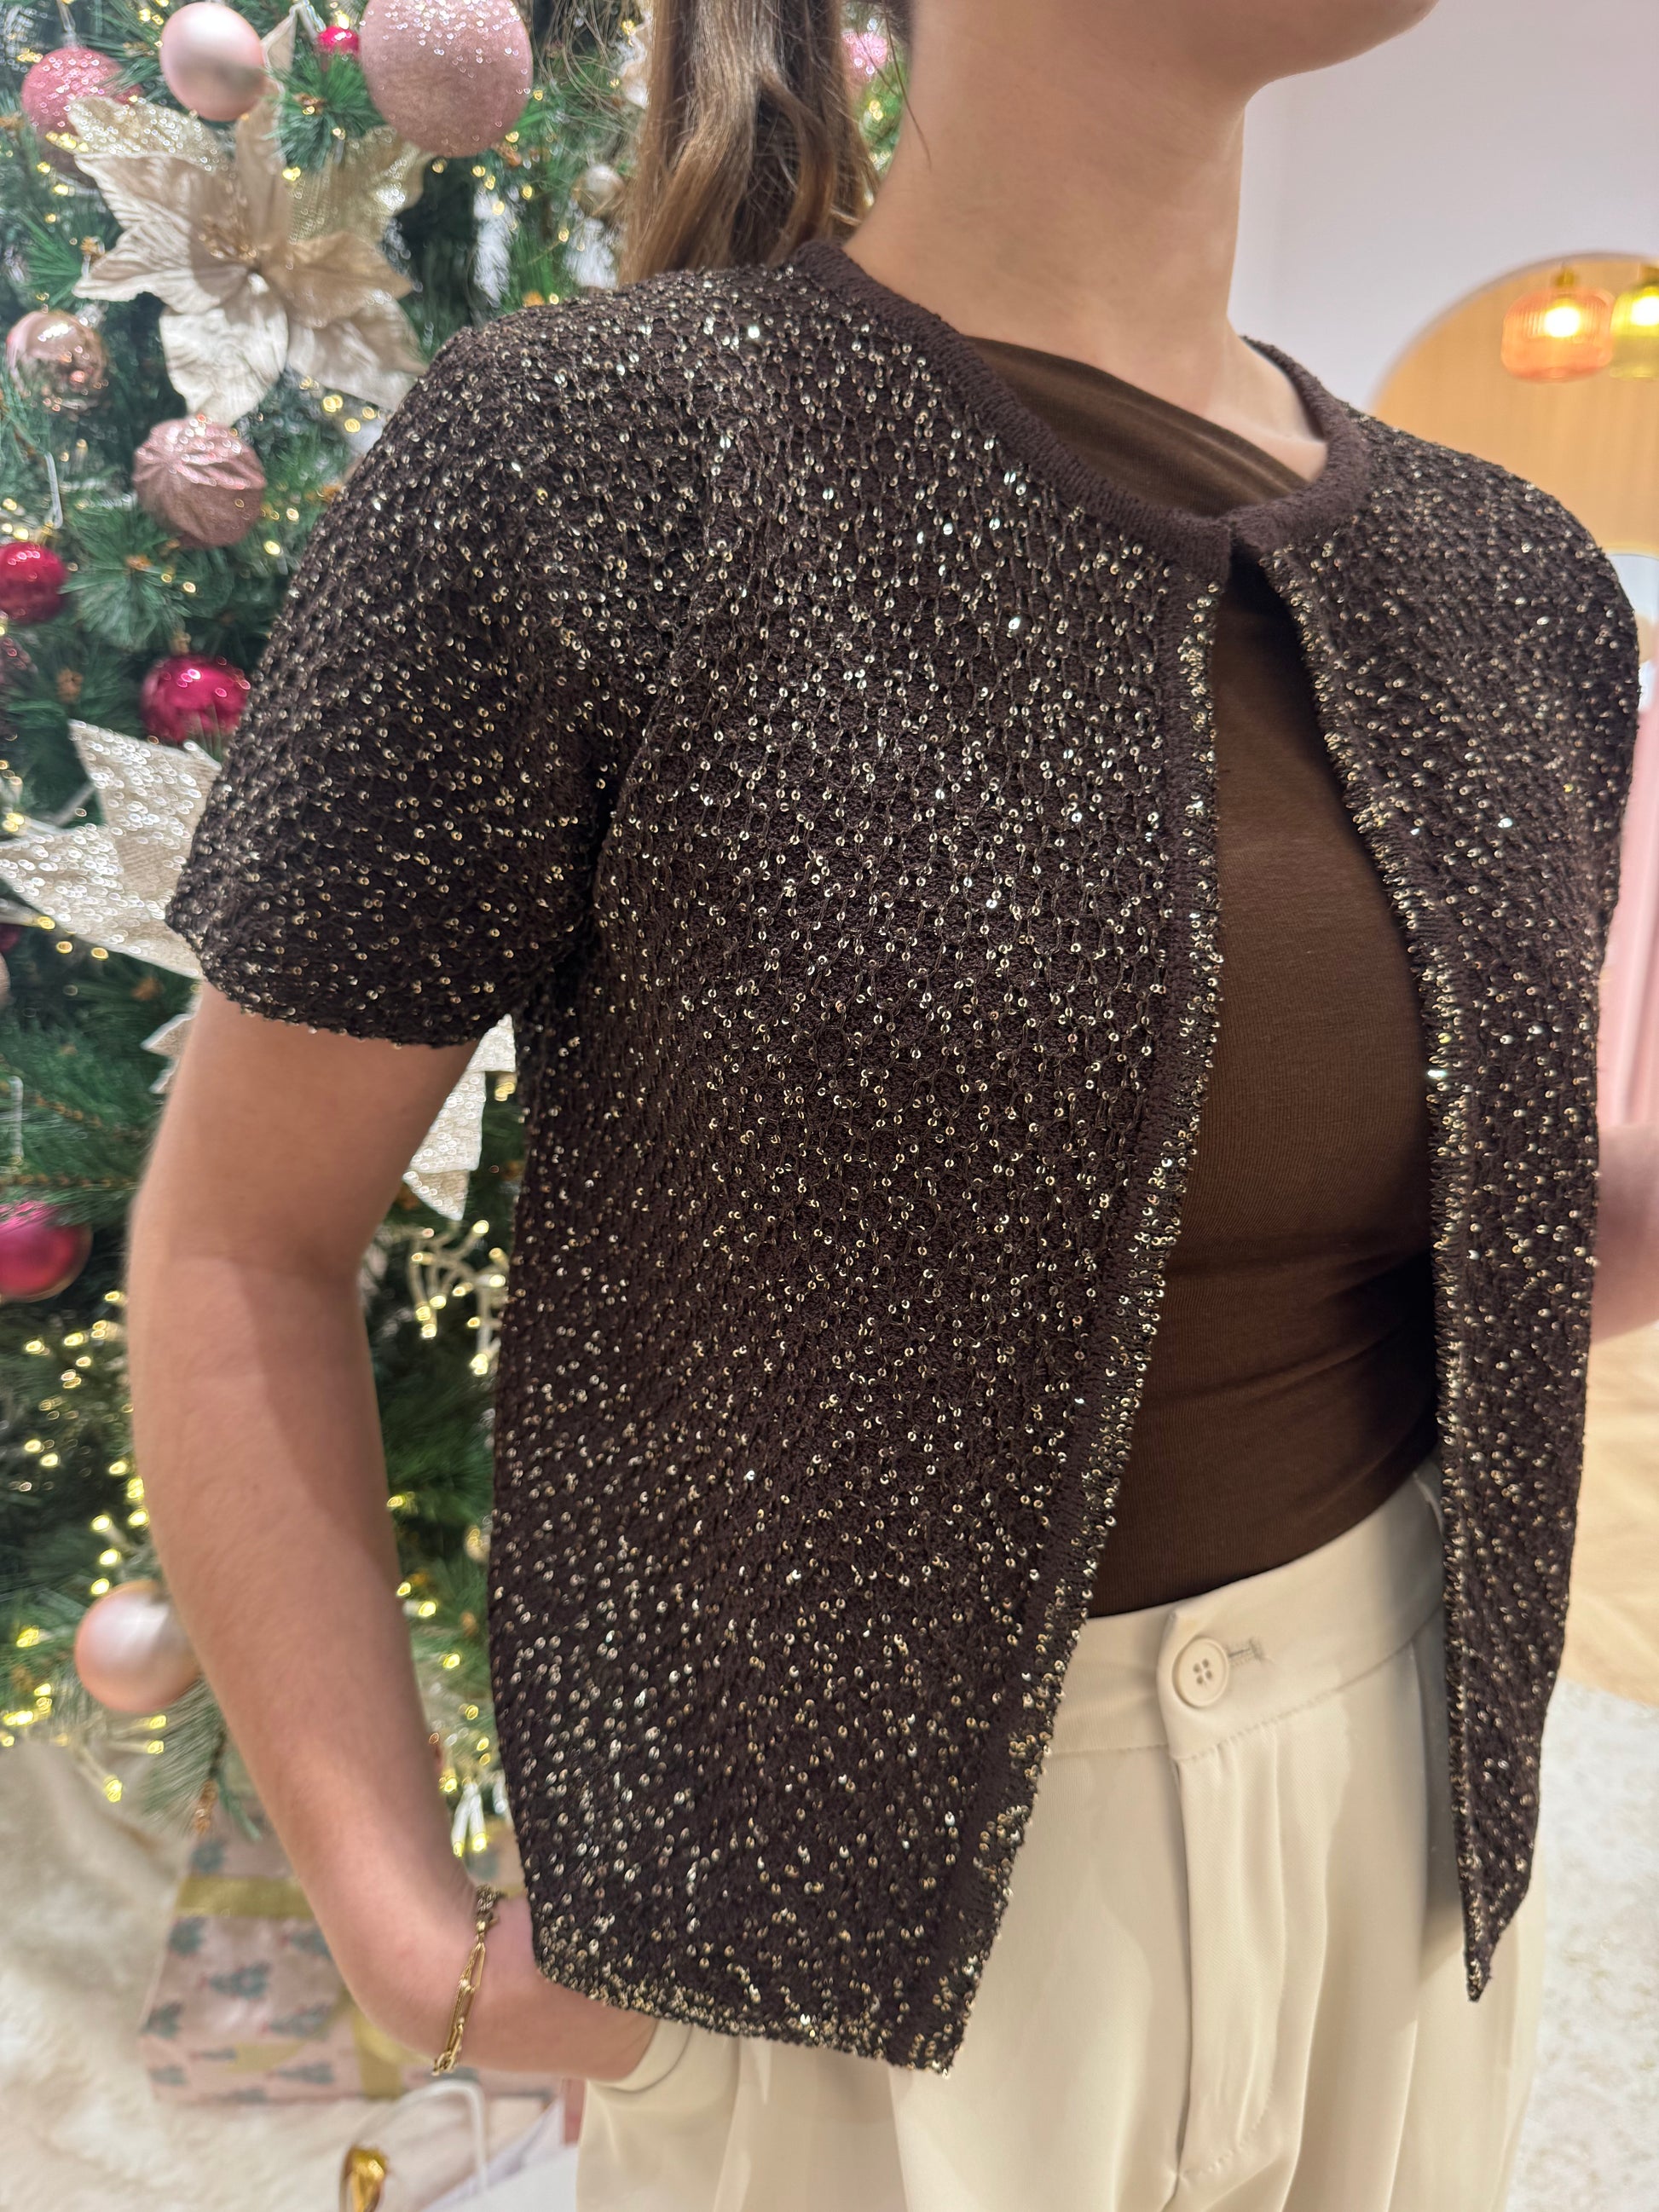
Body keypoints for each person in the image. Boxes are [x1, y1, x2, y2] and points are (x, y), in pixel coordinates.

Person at [128, 1, 1653, 2206]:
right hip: (818, 1890)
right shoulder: (592, 464)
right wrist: (394, 1918)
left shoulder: (1513, 584)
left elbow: (1464, 1250)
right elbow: (240, 1239)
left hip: (1409, 1820)